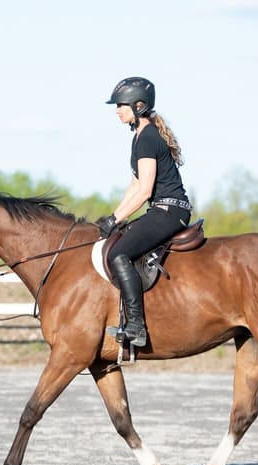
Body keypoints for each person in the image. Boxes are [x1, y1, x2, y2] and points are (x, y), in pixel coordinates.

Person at [99, 76, 192, 347]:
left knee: (118, 253)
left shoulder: (148, 137)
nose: (117, 109)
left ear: (138, 105)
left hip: (168, 210)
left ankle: (136, 327)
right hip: (163, 208)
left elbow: (144, 191)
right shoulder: (141, 135)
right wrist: (114, 216)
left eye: (121, 104)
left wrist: (117, 218)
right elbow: (135, 184)